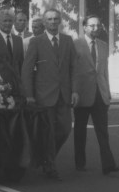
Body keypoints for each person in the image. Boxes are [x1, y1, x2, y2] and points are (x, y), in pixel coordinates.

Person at [22, 9, 79, 180]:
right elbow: (27, 70)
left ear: (60, 21)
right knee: (49, 132)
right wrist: (29, 95)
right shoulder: (36, 42)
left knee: (65, 129)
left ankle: (46, 157)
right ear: (44, 23)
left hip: (64, 94)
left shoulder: (68, 41)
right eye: (49, 19)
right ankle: (50, 166)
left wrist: (75, 90)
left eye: (55, 19)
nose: (53, 22)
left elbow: (74, 68)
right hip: (44, 95)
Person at [73, 16, 119, 175]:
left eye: (98, 25)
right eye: (92, 26)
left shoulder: (103, 45)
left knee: (103, 131)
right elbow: (72, 70)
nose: (95, 28)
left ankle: (108, 164)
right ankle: (80, 162)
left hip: (100, 93)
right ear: (84, 27)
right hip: (82, 94)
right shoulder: (75, 44)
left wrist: (108, 92)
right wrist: (73, 91)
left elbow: (104, 71)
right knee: (80, 130)